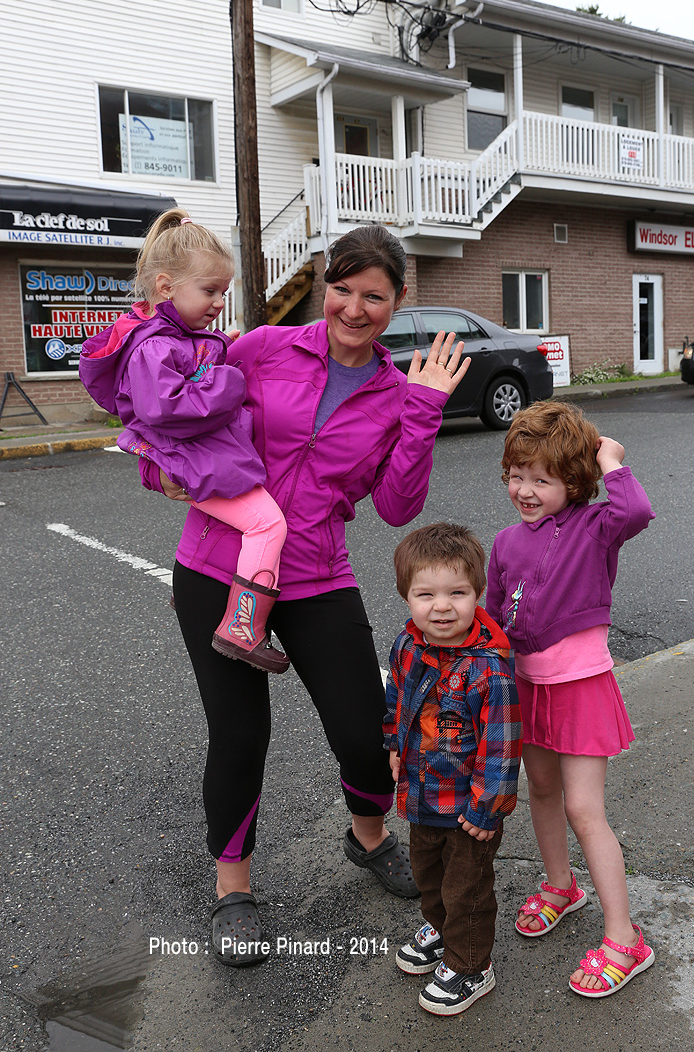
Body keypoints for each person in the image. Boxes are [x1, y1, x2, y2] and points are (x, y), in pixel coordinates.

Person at [142, 224, 471, 965]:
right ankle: (234, 889)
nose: (354, 308)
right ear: (326, 285)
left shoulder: (396, 392)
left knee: (362, 728)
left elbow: (396, 506)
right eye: (343, 289)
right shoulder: (261, 347)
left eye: (373, 296)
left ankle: (368, 837)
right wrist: (153, 469)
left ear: (398, 301)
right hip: (218, 569)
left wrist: (421, 408)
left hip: (318, 572)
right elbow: (168, 406)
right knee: (239, 733)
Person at [485, 400, 656, 999]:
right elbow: (491, 616)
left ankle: (623, 937)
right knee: (541, 791)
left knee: (585, 811)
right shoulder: (505, 542)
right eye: (517, 475)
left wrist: (610, 460)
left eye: (542, 479)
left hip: (581, 688)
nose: (525, 490)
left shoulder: (597, 525)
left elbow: (636, 508)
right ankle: (560, 884)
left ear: (575, 481)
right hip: (527, 687)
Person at [79, 208, 288, 672]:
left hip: (196, 458)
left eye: (223, 292)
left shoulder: (179, 337)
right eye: (209, 290)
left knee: (247, 524)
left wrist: (214, 353)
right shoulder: (156, 345)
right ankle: (241, 627)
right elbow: (167, 408)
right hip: (193, 459)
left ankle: (203, 598)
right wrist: (228, 380)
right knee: (266, 525)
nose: (218, 302)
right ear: (166, 286)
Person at [384, 523, 522, 1016]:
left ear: (477, 593)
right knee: (428, 873)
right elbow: (396, 701)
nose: (441, 607)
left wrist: (488, 810)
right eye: (426, 594)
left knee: (466, 888)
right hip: (421, 794)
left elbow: (502, 747)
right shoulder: (407, 646)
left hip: (468, 808)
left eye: (457, 593)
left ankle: (470, 965)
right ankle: (441, 931)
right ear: (407, 598)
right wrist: (392, 745)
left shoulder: (489, 668)